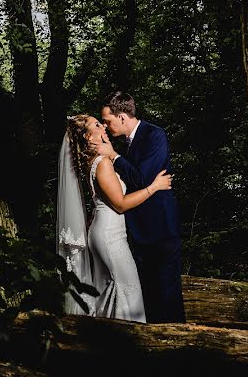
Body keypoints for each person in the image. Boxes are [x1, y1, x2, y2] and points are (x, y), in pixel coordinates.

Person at [57, 114, 172, 322]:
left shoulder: (93, 161)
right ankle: (128, 347)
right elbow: (120, 204)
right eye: (98, 125)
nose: (104, 127)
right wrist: (154, 187)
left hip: (103, 232)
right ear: (89, 137)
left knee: (110, 294)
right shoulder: (101, 163)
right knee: (130, 294)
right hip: (110, 237)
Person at [92, 91, 186, 323]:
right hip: (137, 234)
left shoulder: (155, 135)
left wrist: (114, 156)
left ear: (122, 117)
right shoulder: (126, 146)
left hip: (161, 232)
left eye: (107, 121)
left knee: (168, 296)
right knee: (150, 298)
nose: (106, 126)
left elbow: (142, 180)